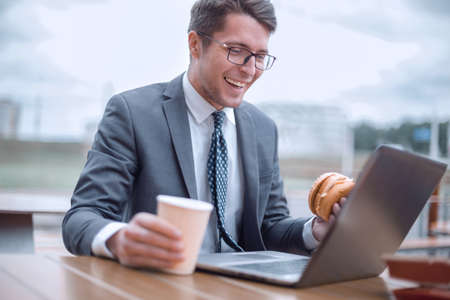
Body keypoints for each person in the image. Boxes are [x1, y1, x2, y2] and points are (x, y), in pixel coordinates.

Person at [62, 0, 345, 270]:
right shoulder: (132, 113)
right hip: (161, 285)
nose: (249, 69)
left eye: (260, 56)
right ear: (195, 45)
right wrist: (119, 239)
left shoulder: (263, 129)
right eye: (236, 50)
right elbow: (82, 217)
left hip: (244, 289)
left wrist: (314, 231)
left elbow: (269, 227)